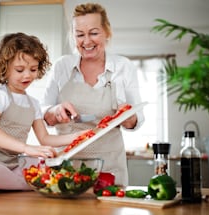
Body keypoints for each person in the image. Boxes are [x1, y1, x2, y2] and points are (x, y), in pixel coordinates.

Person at [0, 32, 83, 195]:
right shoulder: (0, 96)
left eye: (33, 69)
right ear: (4, 69)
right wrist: (26, 148)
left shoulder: (33, 104)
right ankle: (2, 181)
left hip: (12, 164)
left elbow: (45, 138)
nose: (27, 75)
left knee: (49, 165)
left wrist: (79, 137)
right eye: (20, 70)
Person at [41, 3, 145, 186]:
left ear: (106, 32)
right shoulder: (62, 66)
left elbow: (137, 119)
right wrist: (55, 111)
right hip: (66, 167)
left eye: (94, 33)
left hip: (109, 168)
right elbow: (43, 115)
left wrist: (128, 117)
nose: (86, 41)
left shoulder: (123, 67)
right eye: (80, 34)